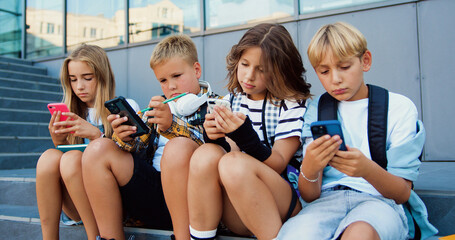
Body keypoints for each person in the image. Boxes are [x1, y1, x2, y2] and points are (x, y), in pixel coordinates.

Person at [277, 22, 435, 240]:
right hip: (326, 202)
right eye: (324, 71)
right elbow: (309, 195)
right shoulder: (316, 110)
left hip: (380, 202)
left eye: (344, 67)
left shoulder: (398, 108)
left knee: (360, 234)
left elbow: (402, 193)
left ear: (365, 61)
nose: (335, 79)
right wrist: (311, 168)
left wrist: (366, 170)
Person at [81, 34, 216, 240]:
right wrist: (123, 138)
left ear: (196, 70)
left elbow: (216, 151)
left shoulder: (217, 105)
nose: (170, 86)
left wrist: (173, 125)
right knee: (98, 149)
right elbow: (135, 149)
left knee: (178, 147)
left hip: (195, 200)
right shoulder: (157, 108)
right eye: (163, 80)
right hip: (154, 193)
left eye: (177, 76)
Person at [187, 23, 311, 240]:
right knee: (205, 154)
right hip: (239, 205)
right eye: (244, 64)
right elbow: (226, 152)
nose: (249, 76)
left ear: (280, 69)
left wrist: (245, 137)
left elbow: (280, 161)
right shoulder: (231, 101)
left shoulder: (292, 104)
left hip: (283, 203)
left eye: (261, 69)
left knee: (233, 162)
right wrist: (214, 137)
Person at [35, 44, 138, 240]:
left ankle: (94, 237)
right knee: (49, 157)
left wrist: (95, 135)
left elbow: (134, 160)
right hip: (77, 202)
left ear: (102, 76)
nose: (79, 86)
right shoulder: (71, 111)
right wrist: (59, 142)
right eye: (73, 80)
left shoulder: (124, 107)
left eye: (87, 78)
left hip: (111, 201)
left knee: (72, 158)